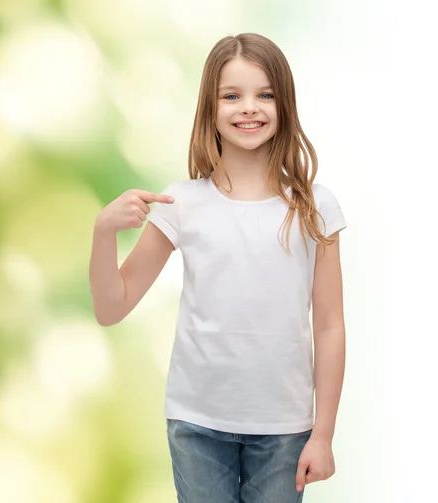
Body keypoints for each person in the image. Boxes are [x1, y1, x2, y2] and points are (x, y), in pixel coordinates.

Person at [89, 32, 347, 503]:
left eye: (264, 94)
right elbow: (112, 308)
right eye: (232, 95)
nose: (249, 107)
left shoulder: (314, 207)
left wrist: (323, 434)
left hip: (285, 428)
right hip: (197, 424)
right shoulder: (181, 203)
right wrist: (104, 232)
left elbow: (329, 325)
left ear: (284, 104)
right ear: (210, 108)